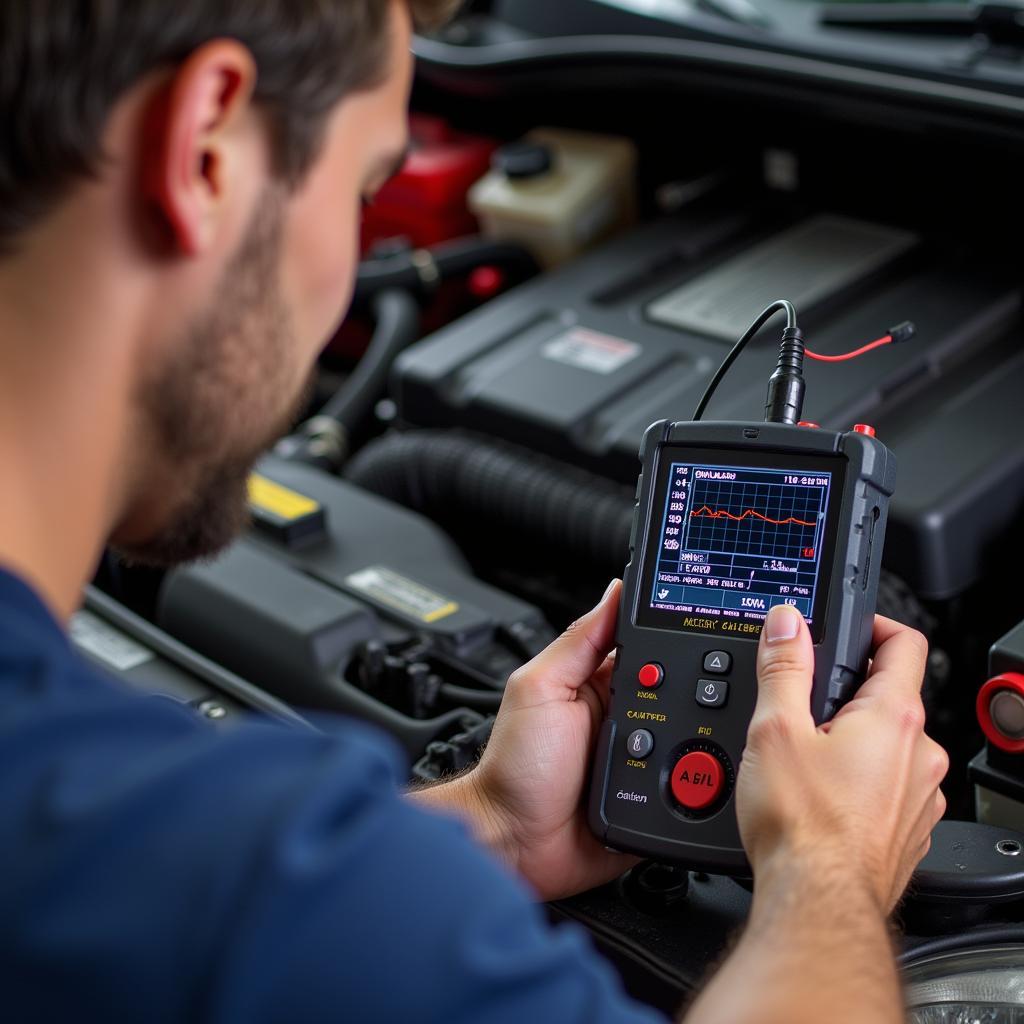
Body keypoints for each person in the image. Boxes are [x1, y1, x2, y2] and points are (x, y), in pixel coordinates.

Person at [0, 1, 947, 1022]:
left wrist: (495, 823)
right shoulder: (262, 878)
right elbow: (260, 908)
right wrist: (830, 861)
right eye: (365, 187)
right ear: (205, 149)